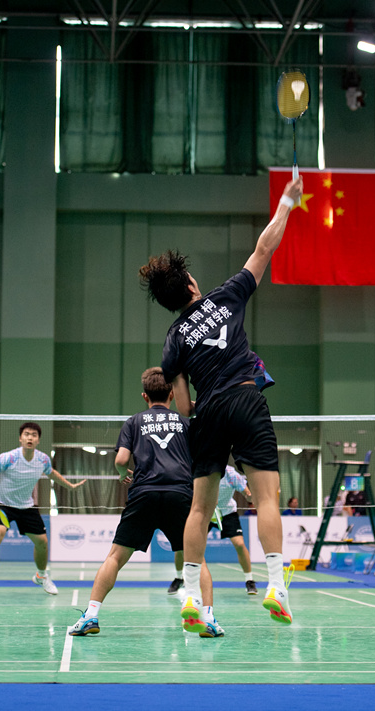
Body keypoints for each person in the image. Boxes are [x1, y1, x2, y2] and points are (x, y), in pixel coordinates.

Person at [139, 176, 303, 626]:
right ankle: (276, 587)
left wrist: (202, 412)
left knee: (199, 508)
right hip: (246, 399)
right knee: (266, 498)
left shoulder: (173, 339)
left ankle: (192, 595)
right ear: (192, 283)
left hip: (208, 412)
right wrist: (287, 201)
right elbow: (264, 248)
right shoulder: (227, 296)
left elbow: (183, 407)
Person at [69, 368, 221, 636]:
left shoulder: (134, 422)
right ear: (172, 394)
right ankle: (207, 619)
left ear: (144, 396)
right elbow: (202, 458)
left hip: (143, 494)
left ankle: (91, 615)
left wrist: (122, 474)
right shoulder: (186, 423)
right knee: (198, 560)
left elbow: (121, 460)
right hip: (180, 495)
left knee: (115, 558)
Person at [0, 422, 85, 598]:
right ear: (20, 438)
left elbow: (51, 473)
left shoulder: (42, 460)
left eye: (34, 435)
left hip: (26, 505)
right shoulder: (8, 458)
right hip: (3, 503)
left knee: (42, 542)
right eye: (27, 434)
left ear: (38, 440)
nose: (30, 437)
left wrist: (70, 486)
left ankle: (41, 576)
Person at [209, 465, 258, 595]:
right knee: (186, 545)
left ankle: (249, 580)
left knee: (239, 544)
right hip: (206, 511)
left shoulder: (230, 473)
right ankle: (180, 577)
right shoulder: (203, 467)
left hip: (227, 512)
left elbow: (246, 492)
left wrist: (250, 496)